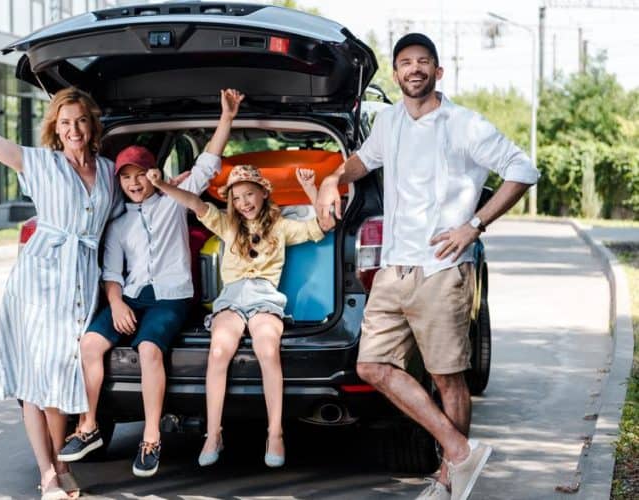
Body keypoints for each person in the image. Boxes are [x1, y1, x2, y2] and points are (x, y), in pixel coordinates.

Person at [314, 33, 539, 500]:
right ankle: (460, 450)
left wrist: (473, 225)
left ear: (438, 71)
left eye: (423, 62)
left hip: (442, 268)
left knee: (446, 378)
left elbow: (523, 169)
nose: (413, 69)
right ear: (395, 73)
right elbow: (363, 161)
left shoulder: (464, 124)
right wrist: (333, 178)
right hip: (394, 269)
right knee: (372, 365)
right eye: (405, 63)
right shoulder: (389, 121)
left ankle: (447, 477)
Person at [58, 89, 245, 477]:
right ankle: (89, 424)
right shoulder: (119, 221)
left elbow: (208, 163)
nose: (133, 183)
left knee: (147, 348)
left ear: (152, 173)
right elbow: (111, 273)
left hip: (172, 297)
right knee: (90, 343)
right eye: (125, 178)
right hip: (131, 297)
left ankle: (150, 438)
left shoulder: (174, 199)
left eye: (139, 174)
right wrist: (117, 303)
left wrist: (226, 117)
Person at [0, 53, 121, 500]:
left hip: (80, 283)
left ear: (92, 126)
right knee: (40, 379)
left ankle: (57, 463)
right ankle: (50, 471)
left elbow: (138, 204)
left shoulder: (109, 171)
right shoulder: (39, 163)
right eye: (65, 122)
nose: (73, 130)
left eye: (81, 122)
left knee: (60, 377)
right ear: (55, 127)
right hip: (39, 281)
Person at [148, 163, 328, 469]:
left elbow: (321, 226)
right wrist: (163, 186)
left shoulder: (280, 226)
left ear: (263, 194)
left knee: (268, 350)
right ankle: (213, 433)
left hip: (265, 298)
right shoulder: (226, 224)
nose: (244, 202)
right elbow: (193, 202)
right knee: (218, 351)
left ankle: (275, 433)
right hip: (231, 298)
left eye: (250, 194)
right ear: (230, 202)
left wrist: (311, 189)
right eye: (237, 197)